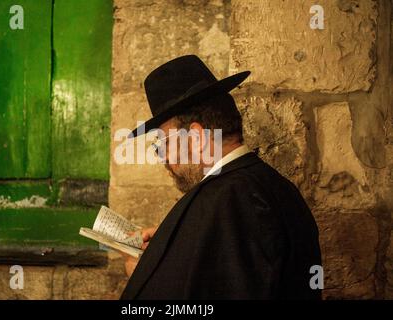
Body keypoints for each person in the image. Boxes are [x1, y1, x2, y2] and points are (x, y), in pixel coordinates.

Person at [120, 55, 322, 299]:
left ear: (196, 137)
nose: (163, 159)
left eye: (163, 145)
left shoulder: (231, 199)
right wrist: (161, 259)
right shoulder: (267, 186)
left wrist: (146, 278)